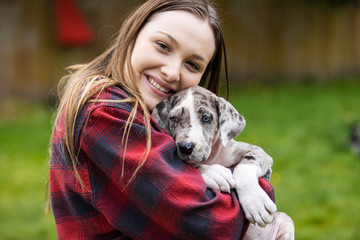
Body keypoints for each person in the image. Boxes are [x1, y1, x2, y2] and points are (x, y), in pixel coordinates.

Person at [49, 0, 275, 239]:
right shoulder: (105, 114)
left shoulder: (150, 114)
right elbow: (212, 222)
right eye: (163, 46)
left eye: (192, 64)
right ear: (132, 34)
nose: (172, 72)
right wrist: (255, 188)